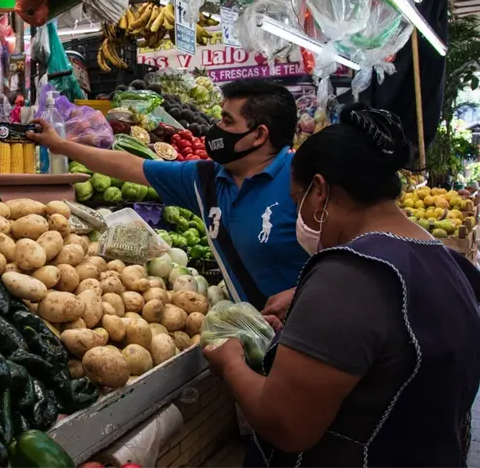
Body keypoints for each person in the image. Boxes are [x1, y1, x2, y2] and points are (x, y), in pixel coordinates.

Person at [203, 105, 480, 468]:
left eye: (295, 201)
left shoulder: (349, 276)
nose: (299, 216)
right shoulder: (451, 262)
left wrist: (231, 363)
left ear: (319, 191)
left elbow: (286, 424)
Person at [29, 80, 308, 312]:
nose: (216, 128)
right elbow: (130, 166)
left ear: (259, 135)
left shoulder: (306, 182)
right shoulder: (206, 179)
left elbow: (350, 259)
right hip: (261, 332)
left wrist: (298, 295)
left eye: (227, 121)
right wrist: (61, 145)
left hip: (314, 333)